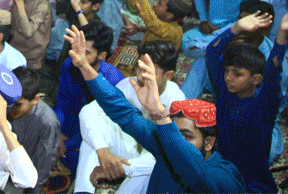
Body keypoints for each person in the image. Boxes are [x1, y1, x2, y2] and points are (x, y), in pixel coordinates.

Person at [65, 26, 245, 193]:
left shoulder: (224, 177)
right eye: (176, 134)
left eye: (187, 136)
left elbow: (196, 175)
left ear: (209, 143)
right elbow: (122, 111)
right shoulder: (165, 145)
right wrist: (84, 66)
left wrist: (123, 168)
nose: (176, 142)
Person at [206, 8, 288, 193]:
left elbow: (273, 70)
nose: (228, 77)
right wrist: (236, 28)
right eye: (227, 71)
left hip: (253, 181)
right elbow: (212, 52)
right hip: (222, 169)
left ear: (256, 79)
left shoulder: (264, 105)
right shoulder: (225, 92)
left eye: (237, 74)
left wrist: (282, 33)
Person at [76, 40, 184, 194]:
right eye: (138, 68)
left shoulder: (177, 102)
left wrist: (121, 168)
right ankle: (82, 191)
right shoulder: (129, 84)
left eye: (147, 72)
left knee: (153, 170)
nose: (139, 76)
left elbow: (172, 156)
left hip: (151, 159)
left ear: (168, 75)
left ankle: (112, 170)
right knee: (92, 135)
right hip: (127, 148)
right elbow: (89, 112)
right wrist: (103, 152)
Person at [54, 20, 123, 174]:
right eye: (77, 49)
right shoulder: (69, 64)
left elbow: (104, 125)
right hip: (70, 120)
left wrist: (68, 143)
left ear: (102, 55)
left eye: (86, 52)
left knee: (82, 161)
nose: (78, 56)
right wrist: (57, 132)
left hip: (94, 130)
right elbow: (62, 99)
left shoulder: (113, 80)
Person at [8, 67, 61, 194]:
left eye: (18, 105)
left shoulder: (46, 122)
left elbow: (43, 164)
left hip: (24, 174)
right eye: (9, 101)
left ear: (35, 99)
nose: (11, 108)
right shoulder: (5, 103)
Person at [9, 0, 52, 70]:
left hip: (31, 61)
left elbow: (27, 32)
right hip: (14, 54)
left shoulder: (42, 4)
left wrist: (19, 4)